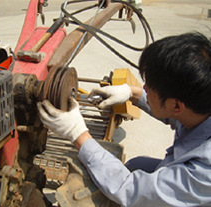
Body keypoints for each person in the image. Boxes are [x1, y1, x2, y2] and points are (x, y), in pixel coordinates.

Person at [37, 33, 211, 206]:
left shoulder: (203, 173)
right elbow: (175, 115)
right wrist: (131, 92)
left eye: (150, 87)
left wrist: (77, 134)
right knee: (137, 165)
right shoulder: (199, 106)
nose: (144, 87)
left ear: (176, 106)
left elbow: (131, 190)